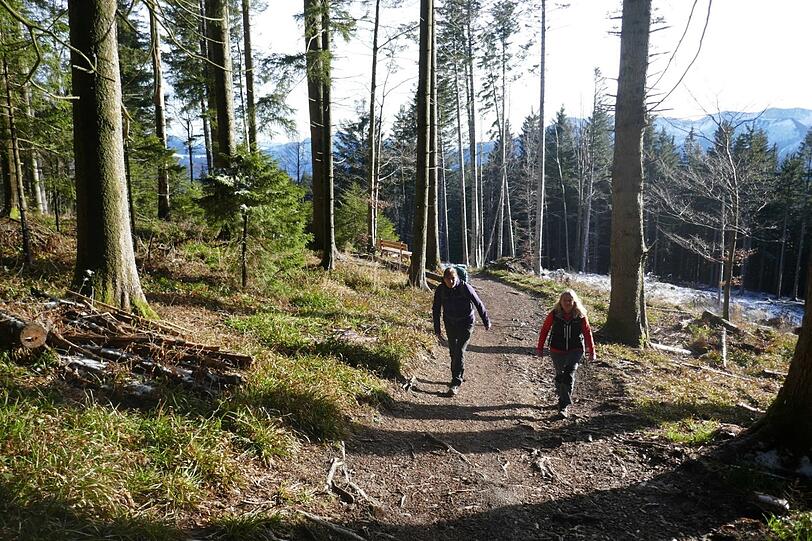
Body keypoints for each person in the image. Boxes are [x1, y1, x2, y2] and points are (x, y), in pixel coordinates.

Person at [535, 289, 596, 418]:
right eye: (565, 300)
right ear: (560, 302)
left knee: (568, 374)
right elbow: (545, 330)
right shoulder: (554, 314)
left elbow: (587, 333)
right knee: (560, 375)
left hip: (576, 350)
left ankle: (563, 406)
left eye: (570, 300)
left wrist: (592, 351)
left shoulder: (580, 316)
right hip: (556, 349)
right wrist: (540, 348)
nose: (567, 303)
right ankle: (561, 392)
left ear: (574, 302)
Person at [432, 266, 491, 396]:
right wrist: (437, 329)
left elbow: (478, 303)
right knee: (453, 351)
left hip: (466, 322)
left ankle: (455, 383)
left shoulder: (465, 287)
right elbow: (436, 309)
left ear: (457, 278)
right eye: (448, 279)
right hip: (450, 322)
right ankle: (458, 373)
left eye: (453, 279)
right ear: (444, 279)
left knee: (459, 350)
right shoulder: (441, 290)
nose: (451, 282)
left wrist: (486, 321)